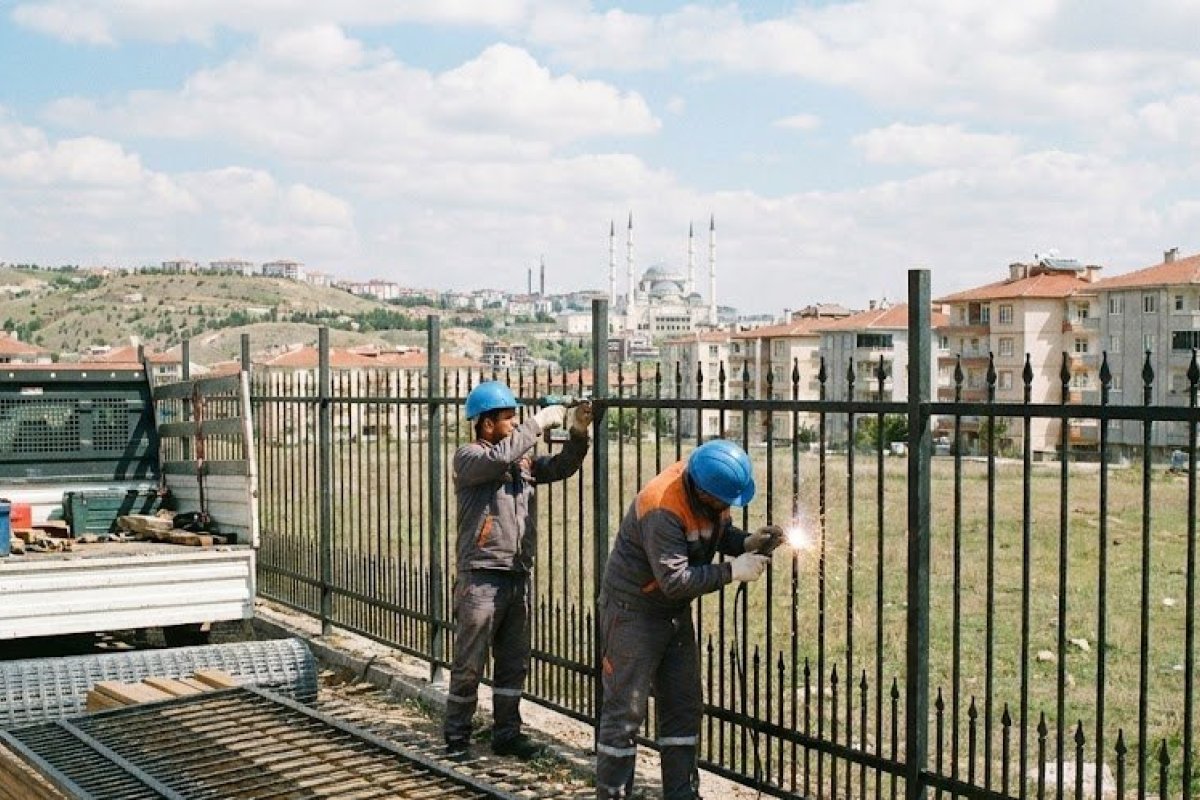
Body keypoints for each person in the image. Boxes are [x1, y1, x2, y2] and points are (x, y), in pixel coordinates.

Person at [595, 438, 782, 800]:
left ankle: (681, 794)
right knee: (625, 713)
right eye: (723, 500)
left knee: (683, 704)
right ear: (703, 489)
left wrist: (745, 542)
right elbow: (675, 580)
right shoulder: (662, 506)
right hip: (633, 612)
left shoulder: (708, 484)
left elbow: (713, 531)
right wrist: (732, 571)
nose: (727, 506)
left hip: (670, 613)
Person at [444, 380, 593, 760]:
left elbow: (561, 467)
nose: (514, 424)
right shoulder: (469, 458)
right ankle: (457, 737)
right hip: (481, 575)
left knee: (513, 663)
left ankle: (506, 733)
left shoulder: (520, 460)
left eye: (515, 418)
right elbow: (499, 459)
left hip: (516, 574)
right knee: (469, 662)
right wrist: (538, 423)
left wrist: (577, 432)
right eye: (508, 418)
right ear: (485, 423)